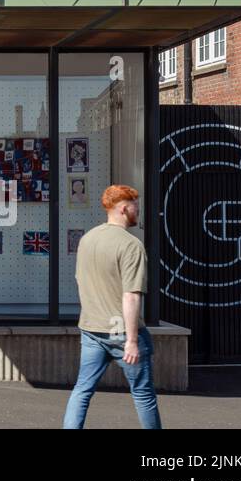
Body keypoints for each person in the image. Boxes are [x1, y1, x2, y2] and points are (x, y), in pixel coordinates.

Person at [63, 183, 162, 430]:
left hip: (91, 329)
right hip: (122, 332)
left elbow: (79, 280)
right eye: (135, 207)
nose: (137, 212)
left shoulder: (87, 239)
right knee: (143, 394)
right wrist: (130, 340)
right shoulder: (131, 245)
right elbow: (131, 296)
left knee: (82, 390)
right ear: (124, 209)